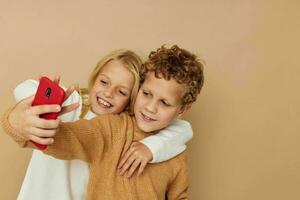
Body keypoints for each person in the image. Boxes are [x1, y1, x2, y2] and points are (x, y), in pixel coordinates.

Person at [2, 45, 204, 199]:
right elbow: (65, 137)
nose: (151, 107)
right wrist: (17, 122)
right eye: (147, 94)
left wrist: (154, 146)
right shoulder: (108, 126)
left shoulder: (176, 156)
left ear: (182, 110)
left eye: (165, 103)